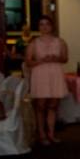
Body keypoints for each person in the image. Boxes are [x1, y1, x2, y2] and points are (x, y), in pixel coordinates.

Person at [26, 16, 68, 146]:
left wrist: (56, 58)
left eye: (47, 24)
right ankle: (41, 134)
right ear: (38, 27)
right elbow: (28, 62)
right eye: (41, 24)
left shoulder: (60, 42)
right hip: (40, 74)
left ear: (52, 26)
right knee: (40, 106)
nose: (44, 27)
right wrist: (41, 60)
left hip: (55, 73)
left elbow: (65, 58)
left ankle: (51, 133)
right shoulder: (34, 43)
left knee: (53, 105)